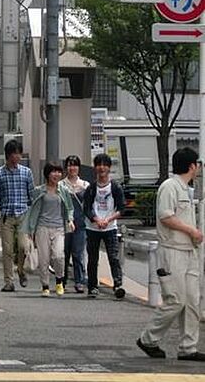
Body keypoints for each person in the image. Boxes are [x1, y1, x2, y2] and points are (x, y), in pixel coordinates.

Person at [137, 147, 205, 361]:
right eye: (198, 164)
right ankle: (148, 339)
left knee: (192, 301)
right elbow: (166, 216)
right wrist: (192, 231)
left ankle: (188, 347)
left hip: (189, 251)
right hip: (172, 251)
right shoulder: (170, 186)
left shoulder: (186, 189)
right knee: (175, 300)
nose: (199, 168)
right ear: (192, 166)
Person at [0, 139, 34, 292]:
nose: (18, 156)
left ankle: (21, 269)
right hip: (6, 216)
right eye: (15, 153)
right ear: (8, 155)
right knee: (7, 250)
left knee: (23, 247)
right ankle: (9, 281)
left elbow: (32, 196)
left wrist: (33, 217)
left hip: (23, 215)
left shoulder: (26, 172)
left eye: (19, 153)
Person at [22, 162, 74, 296]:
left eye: (59, 172)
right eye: (53, 172)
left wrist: (70, 220)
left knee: (59, 255)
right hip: (42, 228)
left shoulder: (63, 190)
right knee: (44, 259)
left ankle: (59, 281)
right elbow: (32, 210)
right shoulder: (39, 190)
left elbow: (69, 207)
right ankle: (45, 285)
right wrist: (30, 230)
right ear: (47, 174)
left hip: (59, 228)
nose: (56, 175)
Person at [82, 153, 126, 299]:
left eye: (104, 165)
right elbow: (86, 208)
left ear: (109, 167)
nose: (102, 168)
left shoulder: (115, 187)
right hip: (93, 228)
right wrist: (96, 220)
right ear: (95, 167)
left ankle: (118, 284)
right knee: (93, 259)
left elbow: (121, 208)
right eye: (99, 165)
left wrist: (108, 220)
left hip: (110, 227)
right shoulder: (91, 188)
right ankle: (92, 286)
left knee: (113, 257)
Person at [59, 155, 89, 293]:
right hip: (64, 223)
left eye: (75, 165)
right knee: (63, 253)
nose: (72, 168)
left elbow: (89, 205)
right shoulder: (61, 185)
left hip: (80, 223)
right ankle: (62, 281)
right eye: (70, 165)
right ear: (66, 167)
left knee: (78, 253)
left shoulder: (86, 185)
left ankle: (79, 281)